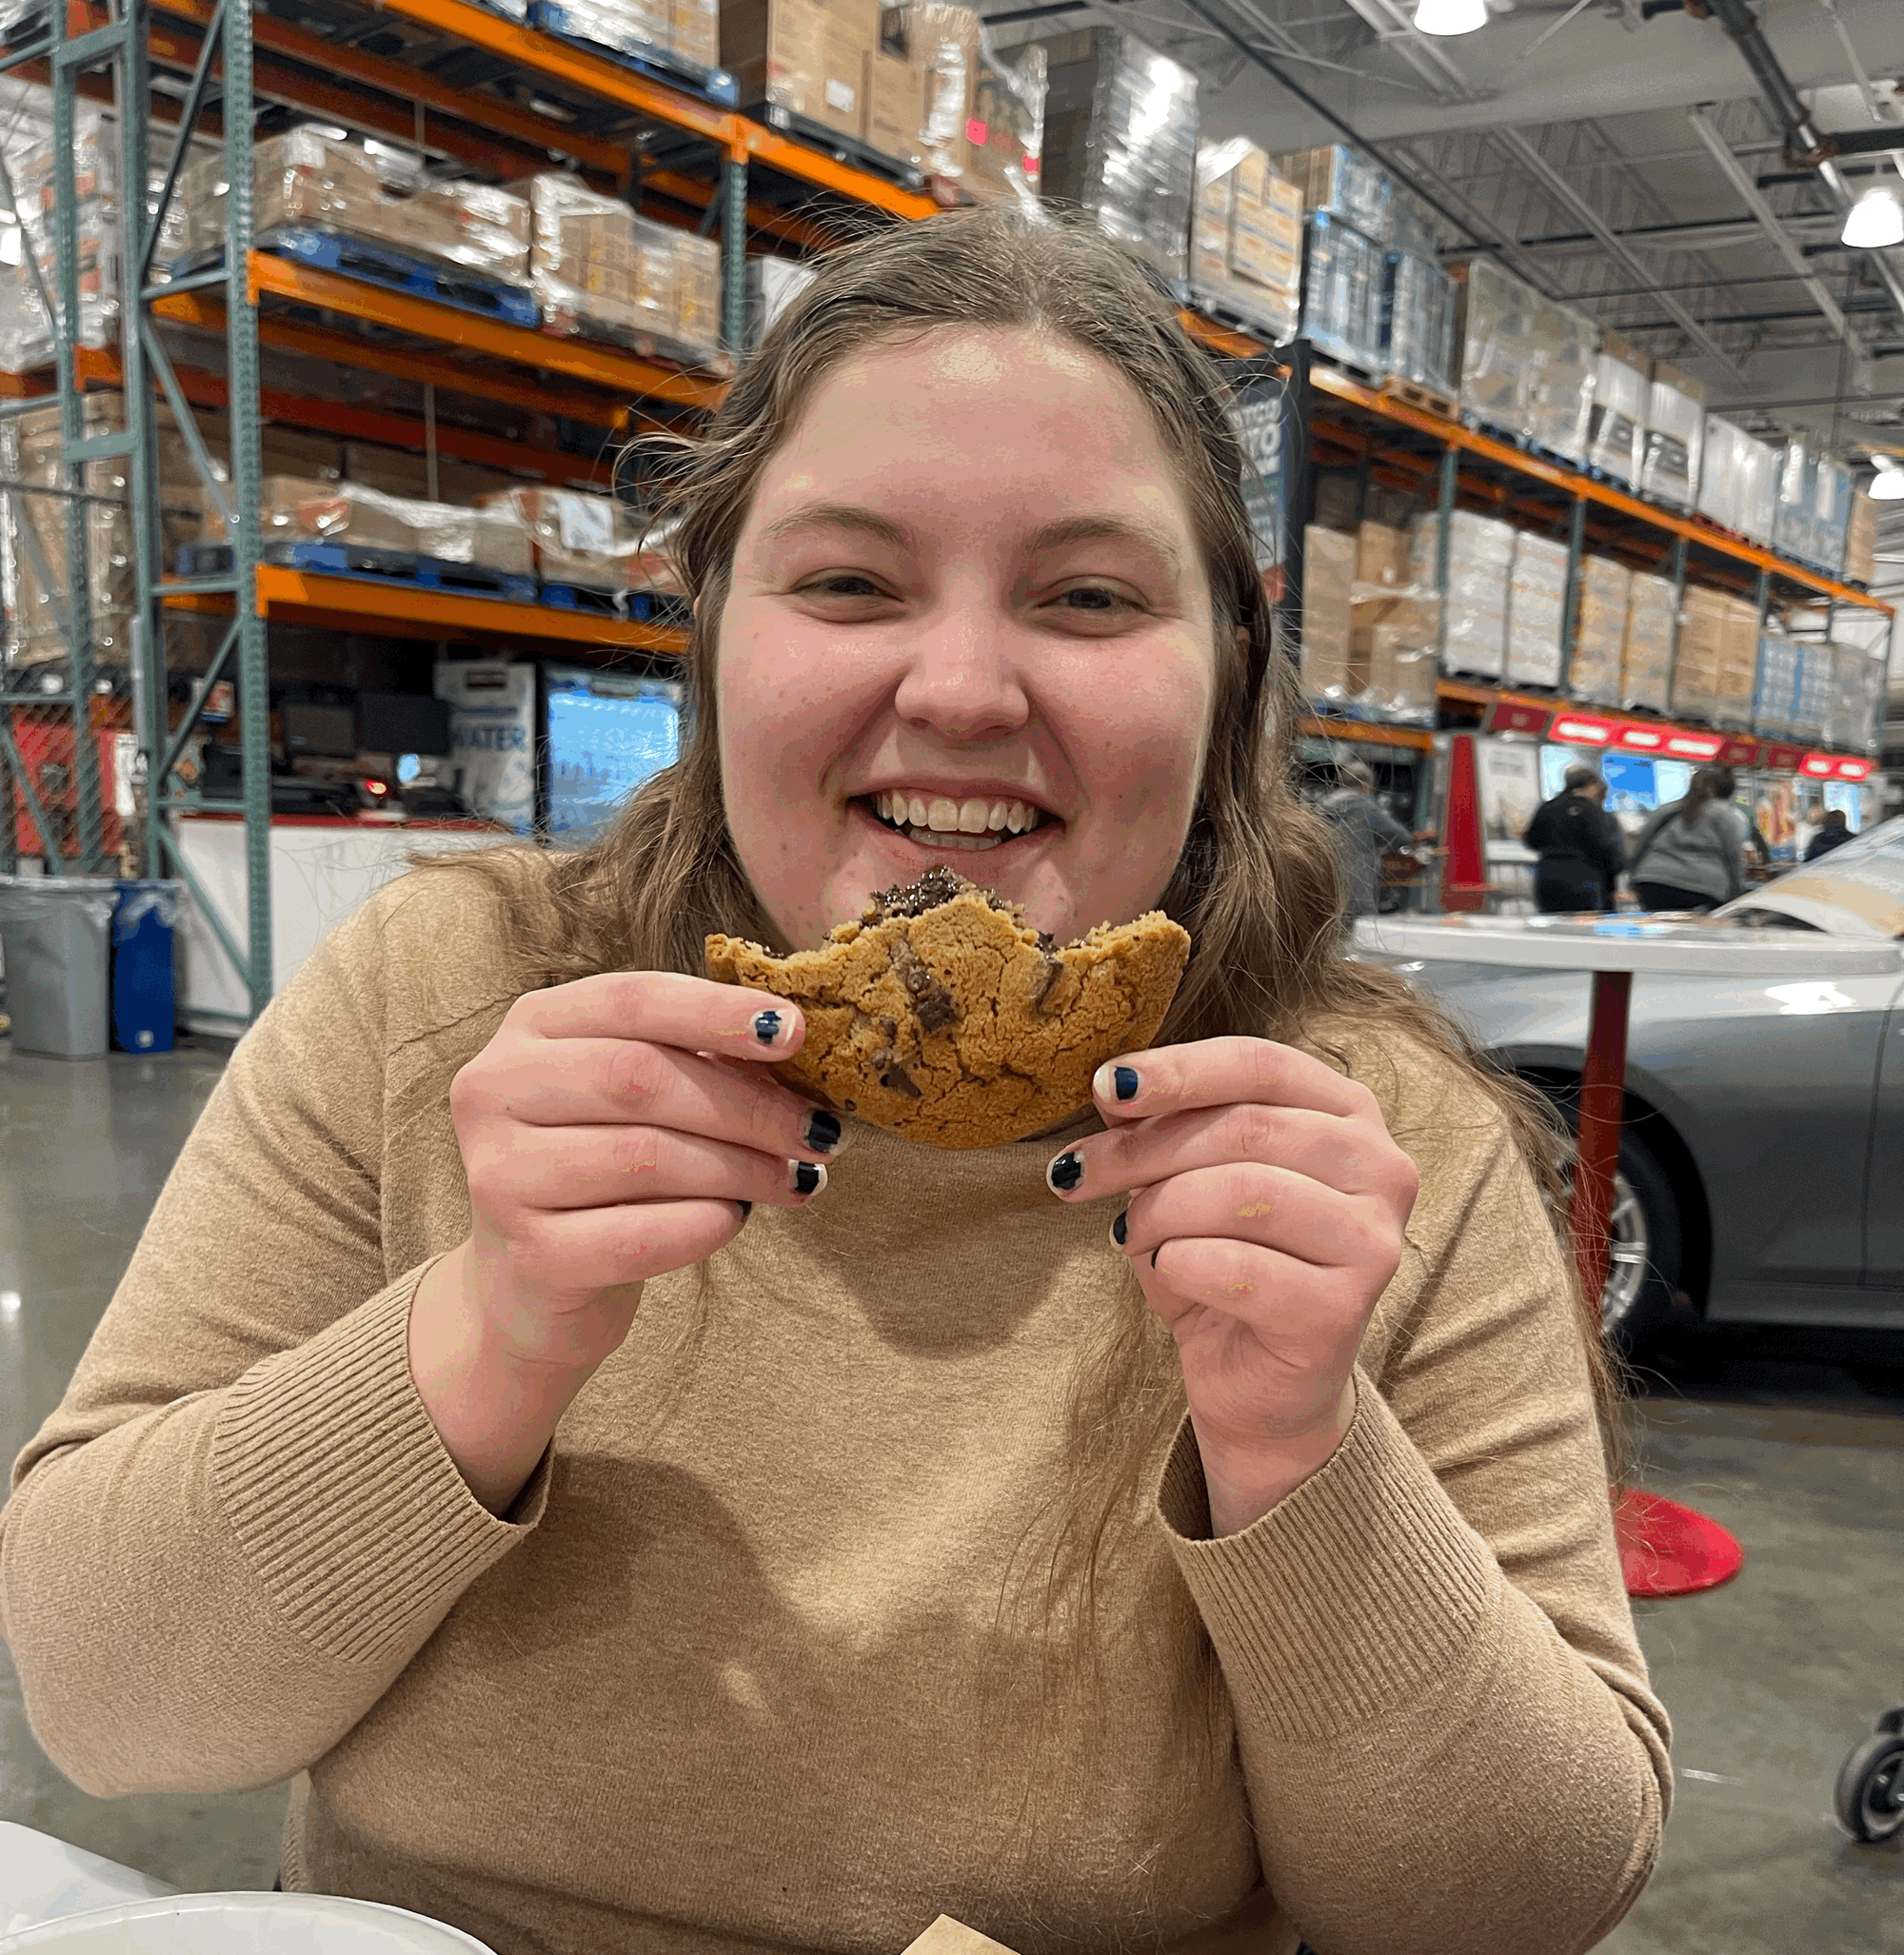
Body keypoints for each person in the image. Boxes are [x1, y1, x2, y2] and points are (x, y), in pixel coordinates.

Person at [0, 211, 1668, 1955]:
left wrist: (1298, 1448)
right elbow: (110, 1711)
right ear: (713, 624)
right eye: (850, 583)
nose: (956, 689)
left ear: (1232, 653)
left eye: (1088, 596)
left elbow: (1513, 1906)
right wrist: (487, 1325)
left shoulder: (1373, 1141)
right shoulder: (442, 1002)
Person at [1628, 763, 1748, 913]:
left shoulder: (1667, 810)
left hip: (1653, 881)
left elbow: (1641, 844)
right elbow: (1733, 856)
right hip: (1703, 887)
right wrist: (1736, 891)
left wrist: (1633, 876)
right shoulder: (1725, 815)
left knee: (1660, 930)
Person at [1313, 756, 1422, 918]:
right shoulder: (1364, 806)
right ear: (1364, 785)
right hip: (1355, 891)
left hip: (1322, 888)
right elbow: (1399, 835)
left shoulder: (1321, 807)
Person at [1522, 763, 1626, 913]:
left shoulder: (1547, 807)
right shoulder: (1592, 809)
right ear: (1591, 785)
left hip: (1547, 877)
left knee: (1553, 927)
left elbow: (1531, 841)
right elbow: (1603, 845)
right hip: (1583, 878)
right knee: (1585, 930)